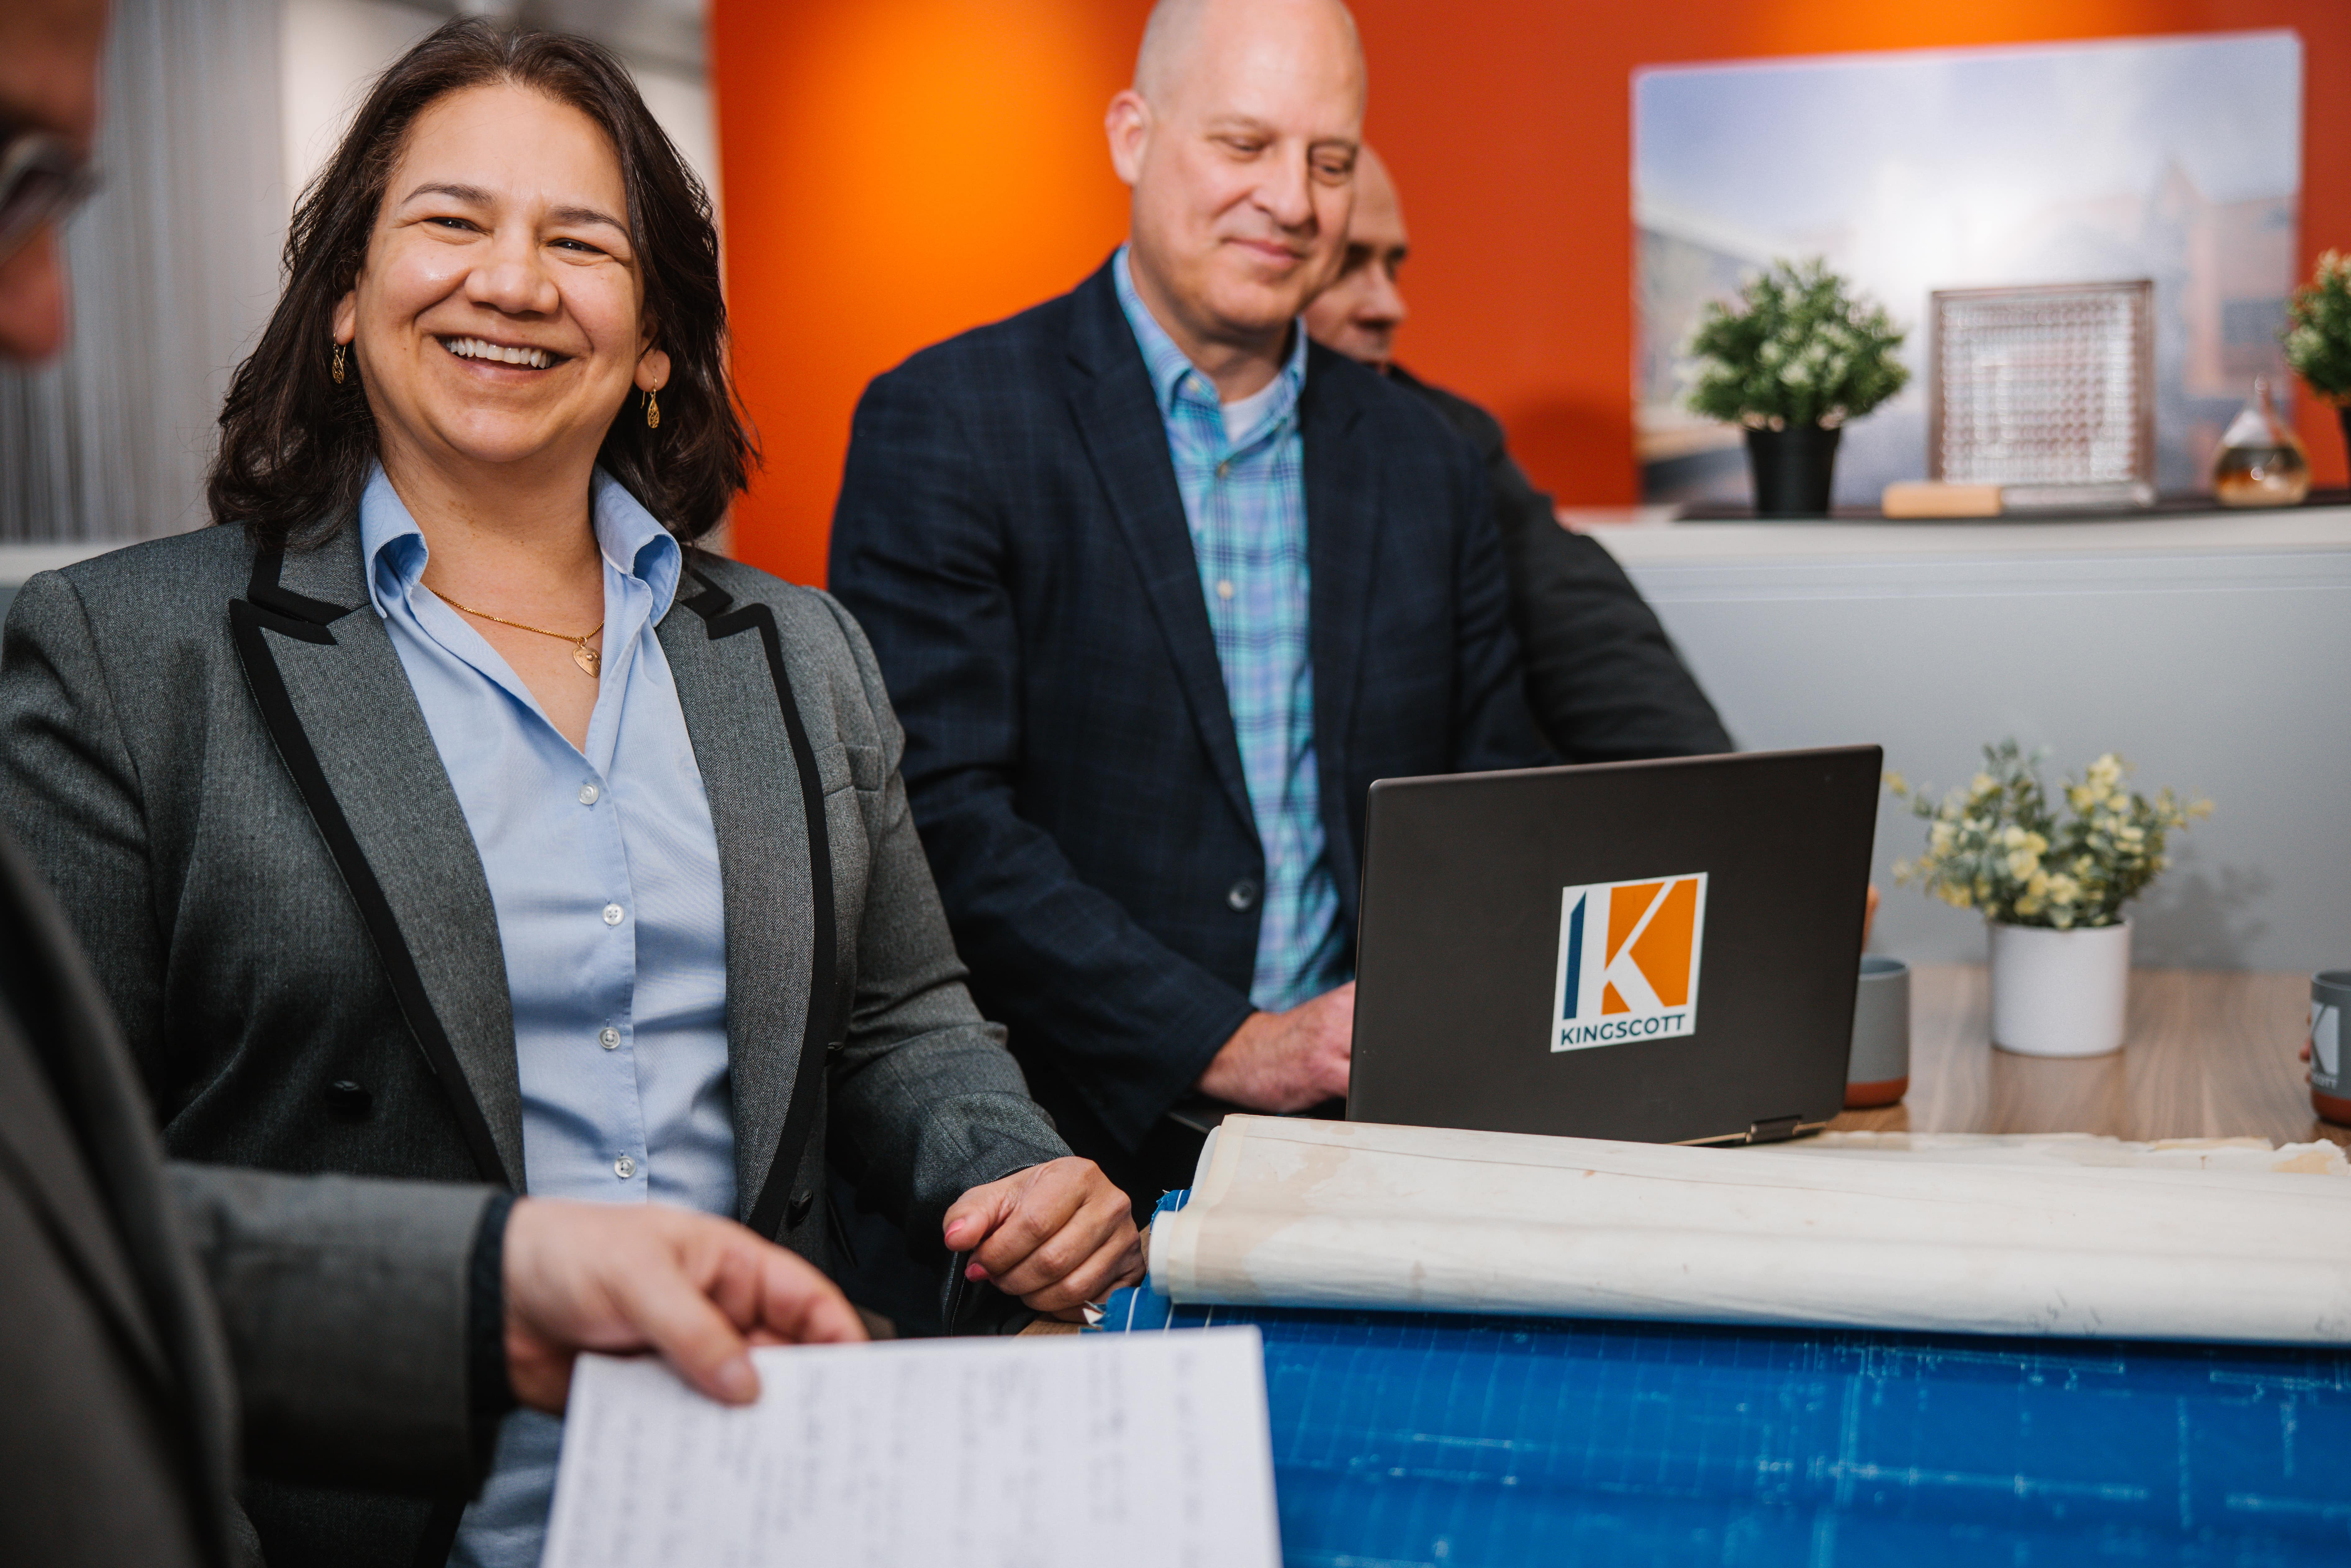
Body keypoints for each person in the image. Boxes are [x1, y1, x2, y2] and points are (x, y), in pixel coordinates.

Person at [0, 19, 1139, 1568]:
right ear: (343, 293)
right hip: (350, 1511)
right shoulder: (128, 659)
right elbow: (62, 1186)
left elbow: (903, 1018)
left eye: (581, 243)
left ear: (658, 337)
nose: (515, 282)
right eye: (451, 223)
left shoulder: (801, 653)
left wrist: (1009, 1164)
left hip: (782, 1489)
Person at [828, 0, 1550, 1206]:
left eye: (1329, 161)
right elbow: (938, 822)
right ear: (1131, 136)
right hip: (1059, 1150)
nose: (1293, 200)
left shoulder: (1429, 461)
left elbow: (1493, 792)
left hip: (1383, 1140)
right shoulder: (950, 422)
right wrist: (1228, 1044)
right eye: (1244, 144)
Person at [1303, 147, 1734, 762]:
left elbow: (1589, 639)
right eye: (1347, 265)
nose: (1388, 307)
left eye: (1391, 267)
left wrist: (1724, 815)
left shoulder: (1447, 437)